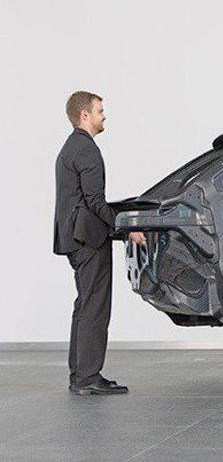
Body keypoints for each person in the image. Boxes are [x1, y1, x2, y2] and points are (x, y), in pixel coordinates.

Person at [53, 91, 146, 394]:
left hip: (74, 237)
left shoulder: (71, 146)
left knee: (84, 304)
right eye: (100, 111)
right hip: (88, 239)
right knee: (94, 307)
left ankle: (79, 375)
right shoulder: (86, 149)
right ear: (85, 115)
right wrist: (126, 227)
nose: (104, 116)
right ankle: (88, 378)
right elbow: (95, 201)